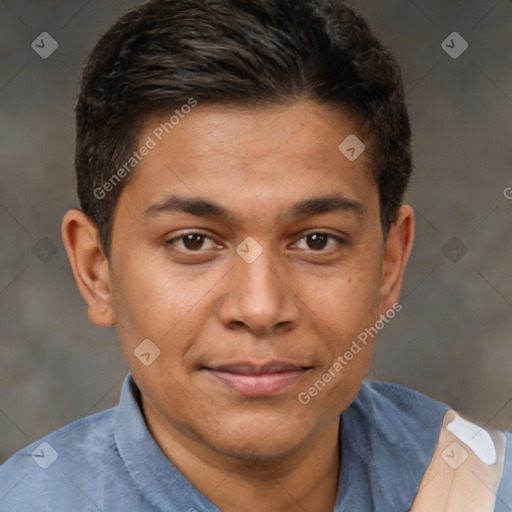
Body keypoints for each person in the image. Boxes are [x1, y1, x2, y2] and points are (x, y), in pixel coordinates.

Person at [0, 0, 510, 510]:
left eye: (317, 240)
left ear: (390, 263)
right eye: (193, 241)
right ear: (96, 270)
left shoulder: (486, 489)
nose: (261, 308)